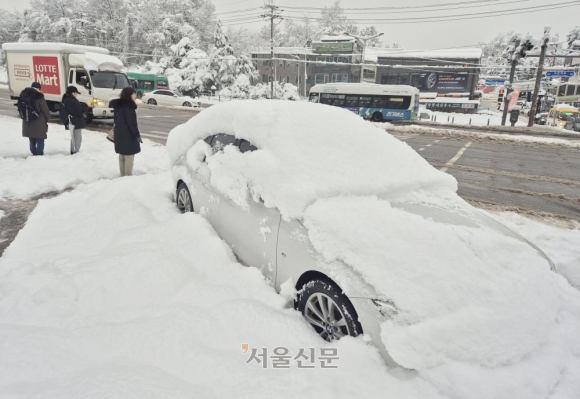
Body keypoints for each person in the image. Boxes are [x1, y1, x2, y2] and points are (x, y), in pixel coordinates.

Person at [110, 87, 141, 176]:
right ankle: (127, 177)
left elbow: (115, 120)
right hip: (129, 135)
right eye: (133, 94)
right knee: (129, 156)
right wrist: (137, 136)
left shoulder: (118, 105)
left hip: (120, 134)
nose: (135, 95)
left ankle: (122, 175)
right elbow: (132, 124)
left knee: (122, 155)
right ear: (129, 95)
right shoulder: (129, 107)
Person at [21, 82, 50, 156]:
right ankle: (39, 155)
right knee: (40, 138)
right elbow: (45, 109)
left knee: (32, 137)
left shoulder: (24, 94)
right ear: (39, 88)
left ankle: (34, 153)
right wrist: (47, 118)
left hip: (27, 120)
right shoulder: (39, 96)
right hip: (38, 120)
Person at [62, 86, 86, 155]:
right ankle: (75, 151)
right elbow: (79, 111)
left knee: (74, 137)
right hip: (75, 121)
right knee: (77, 137)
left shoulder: (67, 100)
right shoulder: (71, 100)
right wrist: (84, 107)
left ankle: (74, 150)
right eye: (76, 93)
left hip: (72, 121)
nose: (76, 94)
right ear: (73, 93)